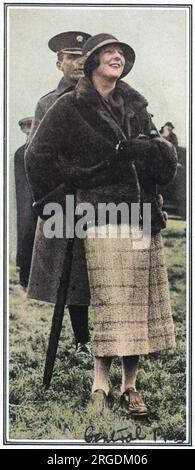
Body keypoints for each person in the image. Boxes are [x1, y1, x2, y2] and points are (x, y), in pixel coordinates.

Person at [25, 33, 177, 416]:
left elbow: (164, 161)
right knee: (112, 302)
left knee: (137, 306)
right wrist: (59, 201)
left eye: (122, 54)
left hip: (142, 217)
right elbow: (37, 157)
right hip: (102, 216)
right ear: (92, 61)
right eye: (109, 53)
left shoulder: (136, 104)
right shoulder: (68, 107)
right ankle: (99, 387)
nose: (117, 58)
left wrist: (152, 150)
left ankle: (130, 388)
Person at [27, 31, 92, 354]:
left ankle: (110, 340)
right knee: (72, 272)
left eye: (83, 56)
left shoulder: (105, 100)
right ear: (59, 62)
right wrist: (54, 200)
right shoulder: (47, 104)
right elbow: (36, 157)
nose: (78, 62)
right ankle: (83, 339)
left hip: (102, 200)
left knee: (104, 270)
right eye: (71, 56)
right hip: (65, 203)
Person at [14, 117, 37, 288]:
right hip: (28, 202)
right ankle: (25, 276)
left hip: (37, 201)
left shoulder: (35, 151)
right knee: (26, 232)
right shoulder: (21, 153)